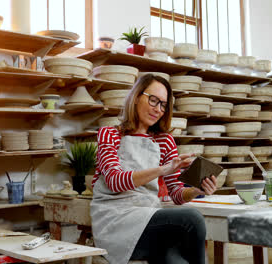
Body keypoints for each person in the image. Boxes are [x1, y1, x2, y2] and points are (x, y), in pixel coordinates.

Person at [90, 74, 218, 264]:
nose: (158, 109)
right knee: (192, 218)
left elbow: (175, 193)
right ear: (136, 97)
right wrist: (162, 169)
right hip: (116, 221)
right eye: (153, 100)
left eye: (163, 105)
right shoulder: (110, 134)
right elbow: (114, 181)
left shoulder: (165, 141)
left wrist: (196, 191)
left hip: (149, 217)